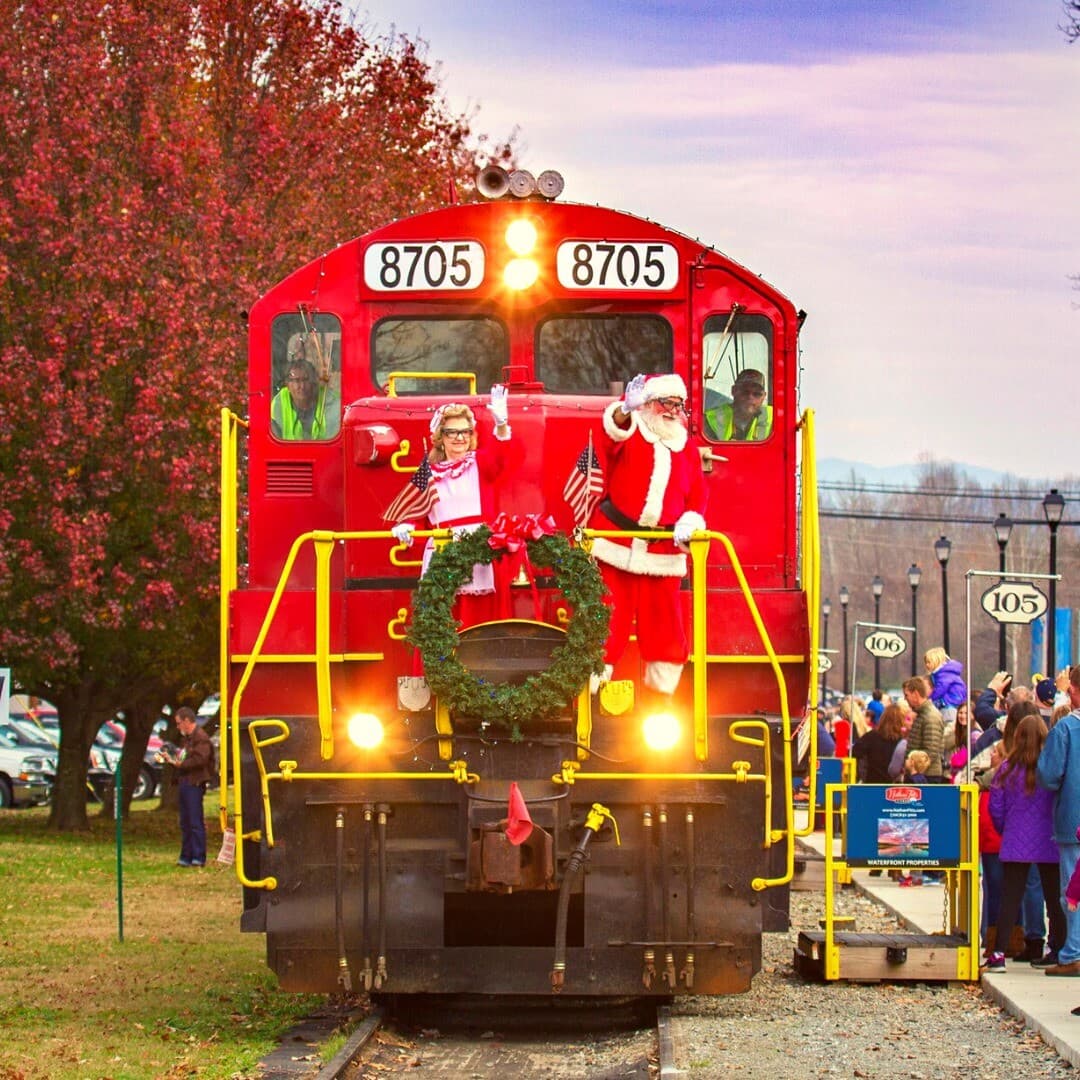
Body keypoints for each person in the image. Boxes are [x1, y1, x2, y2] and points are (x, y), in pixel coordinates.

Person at [588, 373, 706, 696]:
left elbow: (697, 495)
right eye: (665, 403)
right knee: (606, 619)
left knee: (665, 624)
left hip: (663, 554)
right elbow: (610, 436)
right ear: (649, 404)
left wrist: (690, 522)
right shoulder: (631, 431)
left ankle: (661, 697)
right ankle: (591, 695)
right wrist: (625, 410)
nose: (671, 410)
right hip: (616, 544)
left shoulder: (687, 447)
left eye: (677, 404)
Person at [386, 387, 516, 628]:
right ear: (440, 437)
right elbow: (418, 512)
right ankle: (440, 666)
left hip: (478, 555)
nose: (459, 438)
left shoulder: (480, 463)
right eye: (452, 432)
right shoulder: (429, 472)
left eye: (465, 432)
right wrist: (406, 526)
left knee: (477, 624)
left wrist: (501, 425)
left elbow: (502, 457)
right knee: (441, 625)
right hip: (441, 555)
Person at [984, 714, 1066, 972]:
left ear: (1017, 736)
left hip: (1016, 839)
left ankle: (998, 954)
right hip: (1048, 838)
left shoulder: (1006, 768)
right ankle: (1059, 949)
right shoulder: (1049, 768)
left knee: (1010, 897)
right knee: (1054, 899)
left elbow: (995, 806)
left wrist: (1005, 829)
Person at [1036, 664, 1080, 976]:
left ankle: (1073, 952)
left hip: (1073, 820)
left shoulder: (1065, 729)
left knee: (1073, 892)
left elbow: (1049, 776)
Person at [161, 707, 213, 868]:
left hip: (194, 783)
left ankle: (198, 857)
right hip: (185, 782)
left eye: (178, 723)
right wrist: (172, 758)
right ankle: (186, 856)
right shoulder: (188, 739)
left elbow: (200, 760)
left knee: (194, 821)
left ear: (186, 721)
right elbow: (185, 755)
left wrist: (180, 764)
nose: (177, 727)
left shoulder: (201, 738)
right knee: (185, 821)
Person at [271, 356, 333, 440]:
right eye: (297, 380)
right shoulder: (278, 404)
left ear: (313, 382)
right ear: (288, 384)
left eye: (306, 380)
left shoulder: (330, 400)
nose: (302, 386)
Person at [704, 367, 773, 441]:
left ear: (764, 396)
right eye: (745, 392)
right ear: (733, 391)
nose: (750, 397)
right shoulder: (711, 419)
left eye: (757, 394)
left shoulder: (775, 417)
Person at [901, 676, 945, 781]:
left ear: (916, 694)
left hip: (926, 777)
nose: (905, 699)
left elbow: (931, 752)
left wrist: (914, 770)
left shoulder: (930, 717)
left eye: (906, 695)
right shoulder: (922, 714)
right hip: (920, 775)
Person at [852, 702, 905, 783]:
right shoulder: (904, 740)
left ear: (883, 718)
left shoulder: (871, 736)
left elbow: (854, 752)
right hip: (895, 788)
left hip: (872, 784)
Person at [924, 646, 967, 727]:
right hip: (950, 702)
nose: (926, 665)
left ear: (935, 661)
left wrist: (930, 698)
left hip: (949, 704)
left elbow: (941, 688)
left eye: (928, 662)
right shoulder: (943, 673)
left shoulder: (944, 674)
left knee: (947, 725)